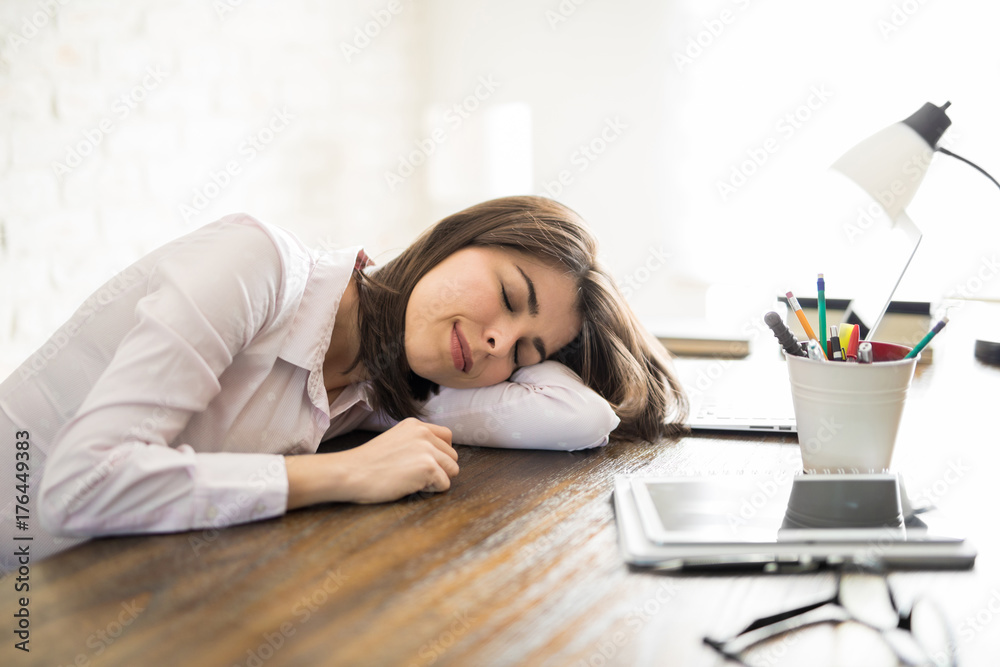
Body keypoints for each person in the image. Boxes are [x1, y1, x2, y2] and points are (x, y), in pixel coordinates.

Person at [0, 196, 686, 570]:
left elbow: (582, 417)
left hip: (89, 585)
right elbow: (77, 487)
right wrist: (346, 476)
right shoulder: (257, 265)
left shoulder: (378, 391)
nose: (497, 342)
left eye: (527, 350)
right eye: (509, 294)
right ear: (457, 235)